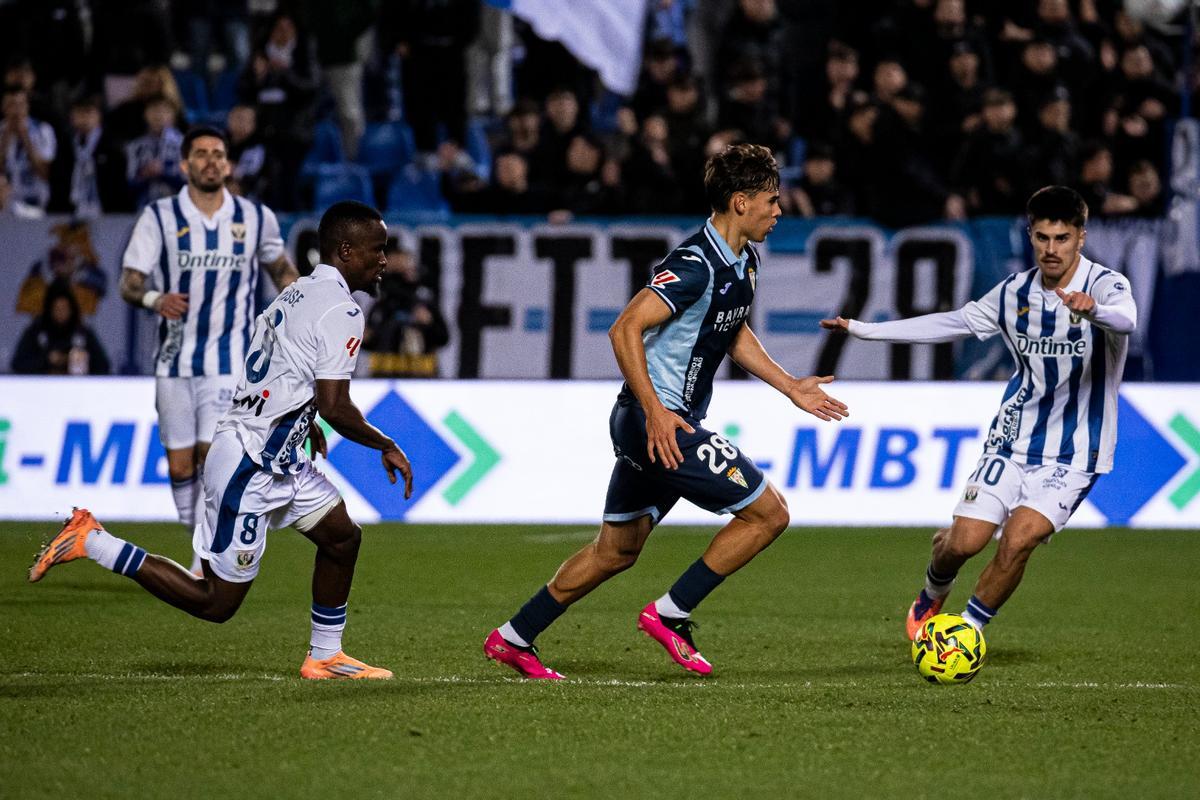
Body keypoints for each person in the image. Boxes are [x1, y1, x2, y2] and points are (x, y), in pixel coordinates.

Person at [484, 144, 849, 679]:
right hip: (656, 422)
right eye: (771, 200)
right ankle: (670, 613)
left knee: (615, 551)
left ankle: (513, 637)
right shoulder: (694, 263)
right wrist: (655, 410)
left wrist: (790, 385)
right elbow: (624, 328)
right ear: (740, 201)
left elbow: (730, 330)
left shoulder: (744, 260)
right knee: (769, 514)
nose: (779, 210)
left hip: (663, 422)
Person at [29, 200, 414, 681]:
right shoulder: (342, 309)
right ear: (346, 250)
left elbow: (286, 370)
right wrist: (386, 444)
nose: (384, 260)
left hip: (278, 457)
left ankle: (325, 656)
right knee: (215, 602)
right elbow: (337, 406)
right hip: (251, 465)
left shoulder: (296, 293)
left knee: (341, 538)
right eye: (377, 249)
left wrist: (303, 417)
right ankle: (93, 541)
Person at [820, 186, 1136, 639]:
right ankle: (934, 588)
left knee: (1019, 540)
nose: (1051, 249)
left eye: (1062, 238)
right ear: (1031, 235)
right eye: (1042, 238)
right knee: (963, 543)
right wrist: (865, 330)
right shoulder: (1013, 293)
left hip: (1075, 453)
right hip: (1012, 440)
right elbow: (951, 323)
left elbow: (1127, 319)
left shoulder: (1106, 285)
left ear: (1080, 238)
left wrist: (1097, 311)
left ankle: (964, 634)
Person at [118, 125, 300, 574]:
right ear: (185, 165)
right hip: (173, 361)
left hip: (229, 362)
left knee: (211, 459)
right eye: (201, 154)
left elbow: (281, 270)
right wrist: (154, 299)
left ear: (229, 164)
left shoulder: (255, 217)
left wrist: (304, 304)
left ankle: (204, 564)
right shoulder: (159, 216)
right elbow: (130, 282)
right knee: (180, 468)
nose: (211, 161)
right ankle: (200, 545)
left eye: (218, 154)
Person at [11, 279, 111, 375]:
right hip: (41, 384)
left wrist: (83, 362)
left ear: (71, 309)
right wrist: (46, 359)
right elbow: (18, 364)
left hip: (77, 385)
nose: (61, 313)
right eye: (57, 309)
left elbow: (103, 366)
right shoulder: (35, 332)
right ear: (50, 310)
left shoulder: (82, 332)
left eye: (64, 308)